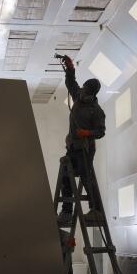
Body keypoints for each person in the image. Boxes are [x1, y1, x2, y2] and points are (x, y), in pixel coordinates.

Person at [57, 55, 106, 227]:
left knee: (87, 178)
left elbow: (101, 131)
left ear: (92, 93)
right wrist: (70, 69)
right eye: (83, 88)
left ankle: (96, 211)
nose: (82, 91)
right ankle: (67, 211)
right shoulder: (78, 97)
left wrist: (87, 132)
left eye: (86, 89)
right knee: (65, 174)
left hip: (85, 148)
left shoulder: (96, 111)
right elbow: (71, 84)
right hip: (73, 146)